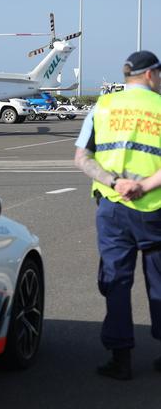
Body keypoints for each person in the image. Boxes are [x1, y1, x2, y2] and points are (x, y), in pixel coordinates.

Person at [75, 50, 161, 380]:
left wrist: (115, 182)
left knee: (116, 281)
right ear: (151, 75)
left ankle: (120, 358)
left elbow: (82, 158)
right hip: (155, 209)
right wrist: (144, 186)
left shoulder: (102, 107)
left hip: (112, 208)